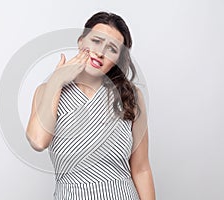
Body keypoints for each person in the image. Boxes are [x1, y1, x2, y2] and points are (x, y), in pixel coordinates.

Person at [26, 11, 156, 200]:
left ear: (118, 60)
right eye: (96, 41)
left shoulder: (131, 98)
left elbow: (141, 169)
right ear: (81, 42)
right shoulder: (46, 91)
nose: (101, 52)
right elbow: (38, 141)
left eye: (111, 48)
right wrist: (57, 81)